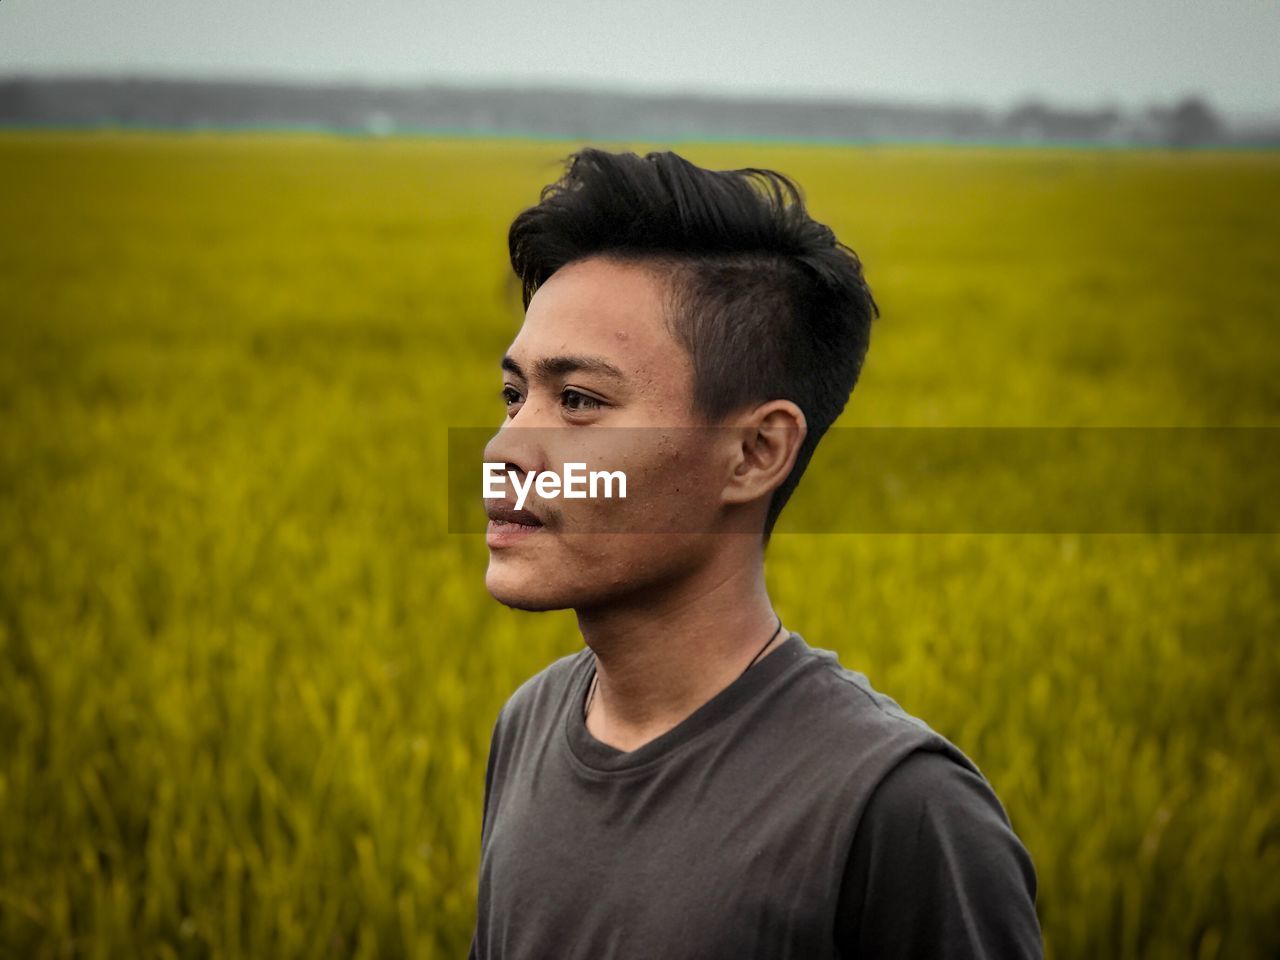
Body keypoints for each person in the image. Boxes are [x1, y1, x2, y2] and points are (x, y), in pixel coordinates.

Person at [469, 147, 1042, 959]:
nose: (504, 448)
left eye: (580, 401)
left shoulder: (897, 808)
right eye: (513, 395)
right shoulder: (530, 724)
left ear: (754, 453)